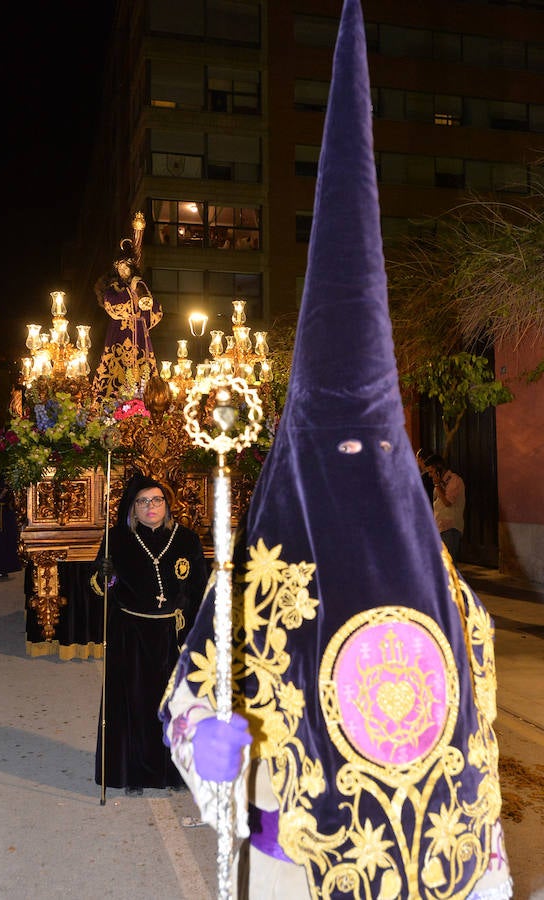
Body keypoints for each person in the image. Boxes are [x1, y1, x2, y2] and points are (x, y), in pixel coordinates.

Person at [160, 2, 512, 898]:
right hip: (299, 874)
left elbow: (474, 756)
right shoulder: (252, 576)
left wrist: (487, 876)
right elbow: (188, 698)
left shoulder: (453, 596)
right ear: (298, 450)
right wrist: (204, 744)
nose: (361, 458)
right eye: (339, 444)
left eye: (378, 444)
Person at [91, 473, 208, 792]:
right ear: (132, 508)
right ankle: (134, 774)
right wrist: (107, 575)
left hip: (174, 635)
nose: (150, 506)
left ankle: (174, 772)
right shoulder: (117, 538)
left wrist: (199, 635)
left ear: (167, 505)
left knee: (174, 706)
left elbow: (199, 589)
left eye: (156, 500)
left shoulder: (186, 539)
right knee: (135, 706)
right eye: (142, 501)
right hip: (131, 635)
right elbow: (101, 589)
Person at [92, 236, 163, 399]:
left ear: (132, 268)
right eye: (120, 268)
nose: (123, 271)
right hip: (119, 333)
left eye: (126, 268)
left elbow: (154, 312)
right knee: (117, 369)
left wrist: (143, 297)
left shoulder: (140, 286)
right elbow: (112, 307)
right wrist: (130, 291)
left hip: (140, 333)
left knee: (143, 371)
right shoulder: (113, 288)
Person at [424, 452, 465, 564]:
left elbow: (447, 502)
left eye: (431, 471)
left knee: (449, 564)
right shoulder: (440, 483)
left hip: (450, 528)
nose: (430, 475)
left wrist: (437, 485)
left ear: (439, 469)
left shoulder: (454, 480)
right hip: (440, 527)